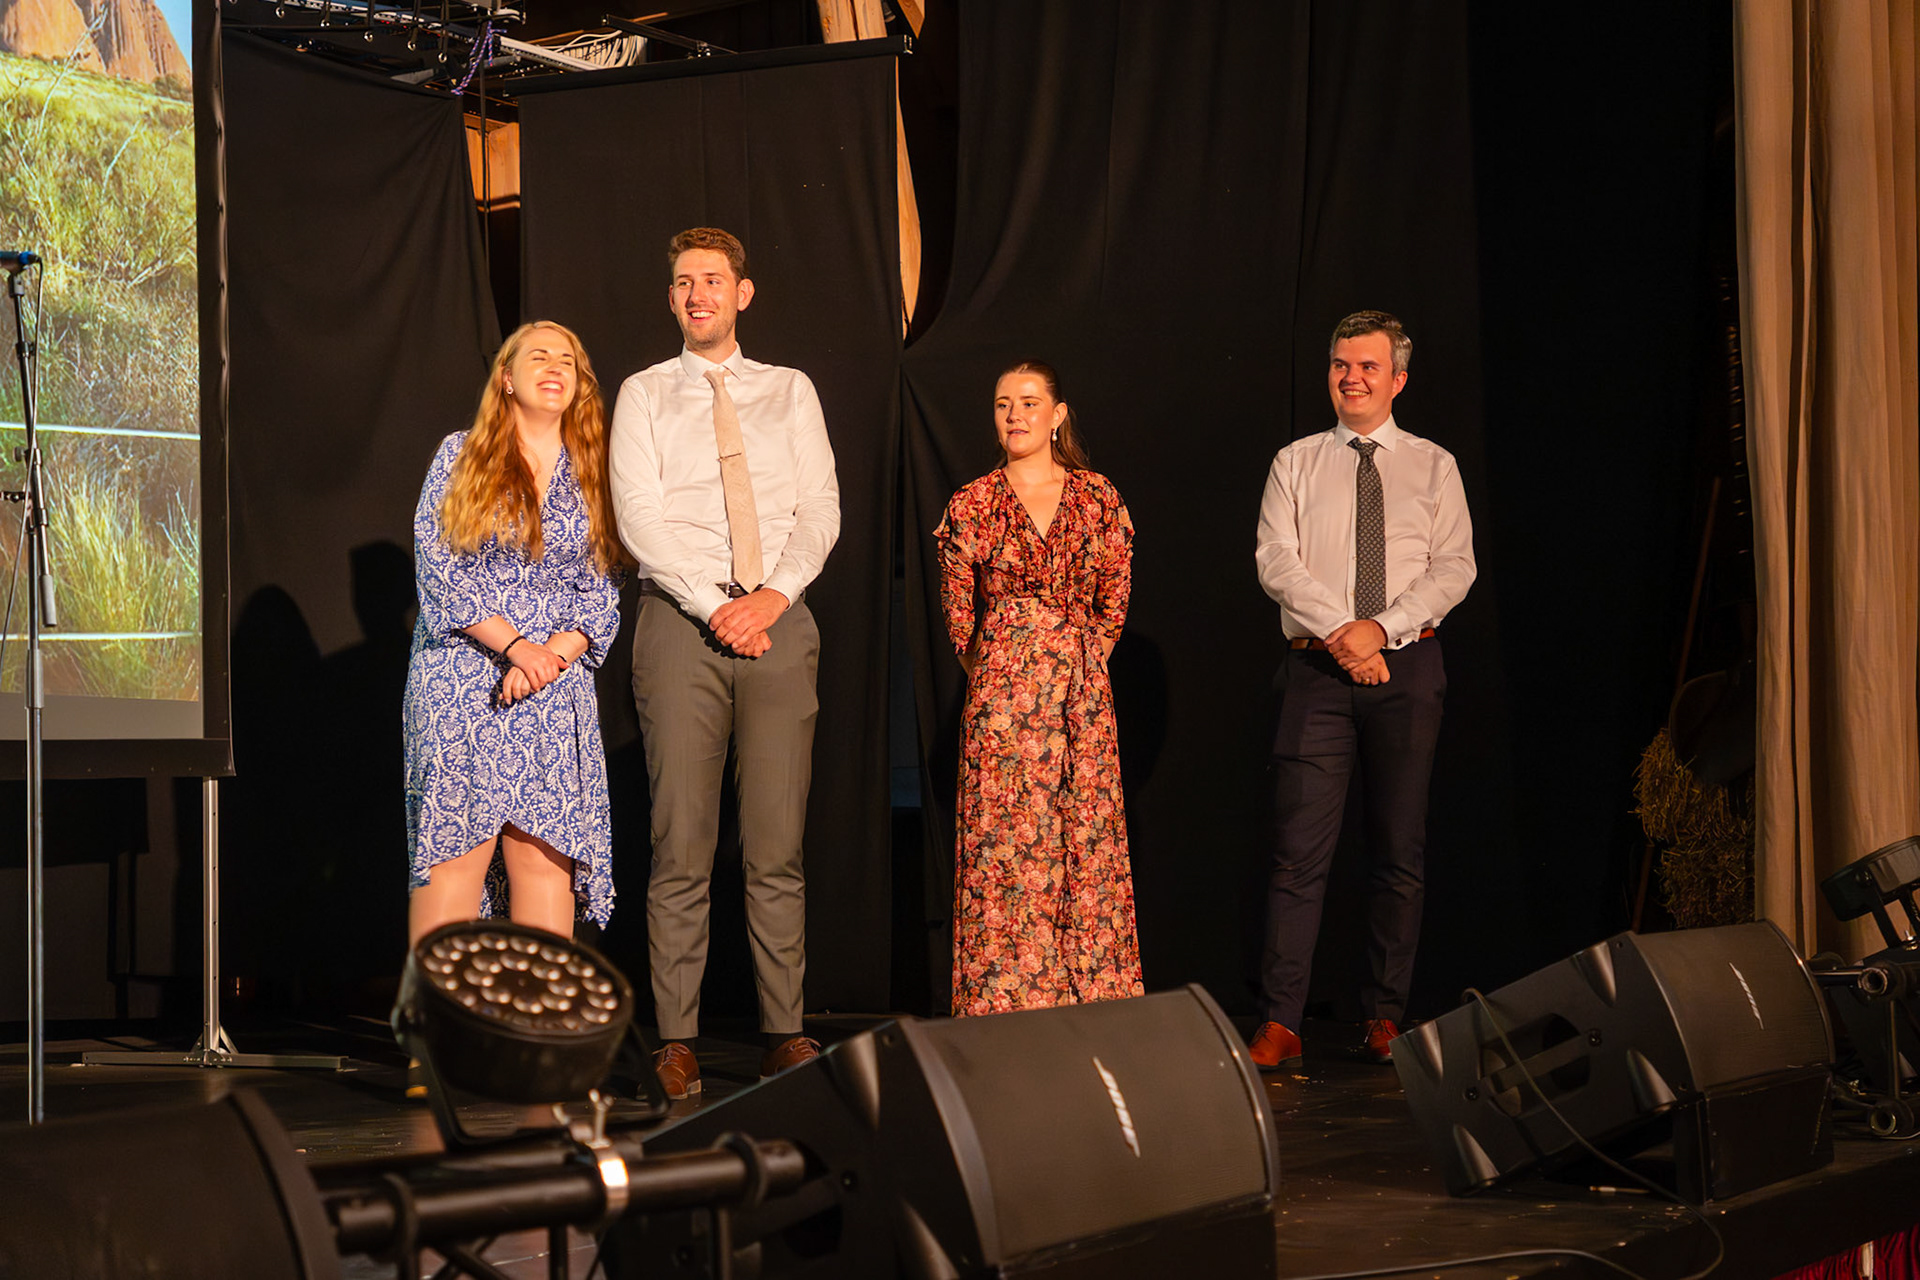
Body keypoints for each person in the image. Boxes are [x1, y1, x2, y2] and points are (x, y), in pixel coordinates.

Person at [608, 227, 840, 1098]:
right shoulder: (644, 392)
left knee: (776, 845)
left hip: (779, 622)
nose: (696, 293)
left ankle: (784, 1031)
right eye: (682, 282)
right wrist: (717, 608)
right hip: (682, 624)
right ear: (670, 298)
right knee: (681, 843)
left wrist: (771, 598)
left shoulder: (790, 389)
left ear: (743, 293)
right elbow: (640, 519)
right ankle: (677, 1040)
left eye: (712, 280)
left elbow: (820, 509)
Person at [1251, 310, 1476, 1069]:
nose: (1352, 378)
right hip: (1317, 669)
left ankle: (1384, 1016)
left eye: (1368, 366)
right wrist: (1346, 635)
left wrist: (1381, 631)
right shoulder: (1295, 462)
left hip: (1406, 666)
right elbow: (1276, 561)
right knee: (1296, 854)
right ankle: (1281, 1020)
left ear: (1398, 379)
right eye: (1341, 365)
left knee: (1398, 851)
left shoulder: (1434, 466)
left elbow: (1454, 567)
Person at [403, 320, 625, 950]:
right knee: (453, 862)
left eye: (567, 360)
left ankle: (538, 1017)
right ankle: (439, 1015)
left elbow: (604, 587)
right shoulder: (461, 454)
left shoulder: (595, 471)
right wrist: (517, 648)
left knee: (544, 861)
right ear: (505, 377)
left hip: (554, 688)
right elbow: (440, 569)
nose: (555, 367)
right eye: (539, 357)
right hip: (462, 681)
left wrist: (550, 657)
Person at [935, 360, 1145, 1017]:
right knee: (1005, 849)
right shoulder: (973, 502)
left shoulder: (1097, 497)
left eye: (1029, 402)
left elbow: (1113, 601)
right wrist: (1008, 672)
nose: (1015, 415)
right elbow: (959, 618)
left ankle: (1091, 1002)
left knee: (1083, 840)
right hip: (1002, 703)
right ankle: (1004, 1005)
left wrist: (1073, 665)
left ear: (1057, 415)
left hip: (1081, 697)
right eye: (1004, 404)